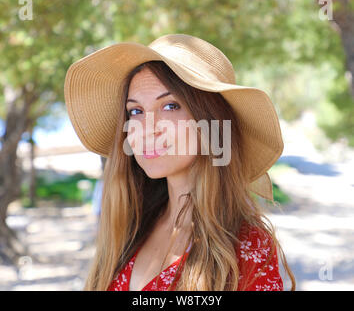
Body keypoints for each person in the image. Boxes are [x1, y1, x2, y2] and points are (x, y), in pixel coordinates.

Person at [64, 34, 296, 291]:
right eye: (136, 111)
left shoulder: (247, 247)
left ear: (210, 123)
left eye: (170, 106)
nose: (147, 129)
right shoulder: (130, 226)